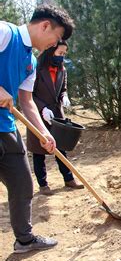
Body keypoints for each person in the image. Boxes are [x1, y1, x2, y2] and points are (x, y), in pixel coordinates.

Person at [0, 4, 74, 261]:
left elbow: (27, 101)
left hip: (6, 127)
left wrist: (44, 132)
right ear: (44, 26)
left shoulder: (30, 61)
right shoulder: (5, 34)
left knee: (22, 185)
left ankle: (25, 239)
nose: (55, 45)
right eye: (55, 38)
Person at [26, 40, 84, 195]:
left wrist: (65, 96)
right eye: (60, 53)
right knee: (39, 151)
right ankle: (43, 185)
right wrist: (42, 108)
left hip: (57, 115)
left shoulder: (62, 70)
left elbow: (63, 88)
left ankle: (69, 179)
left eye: (64, 54)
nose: (62, 57)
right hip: (38, 114)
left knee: (61, 148)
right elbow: (29, 94)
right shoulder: (36, 68)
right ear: (50, 51)